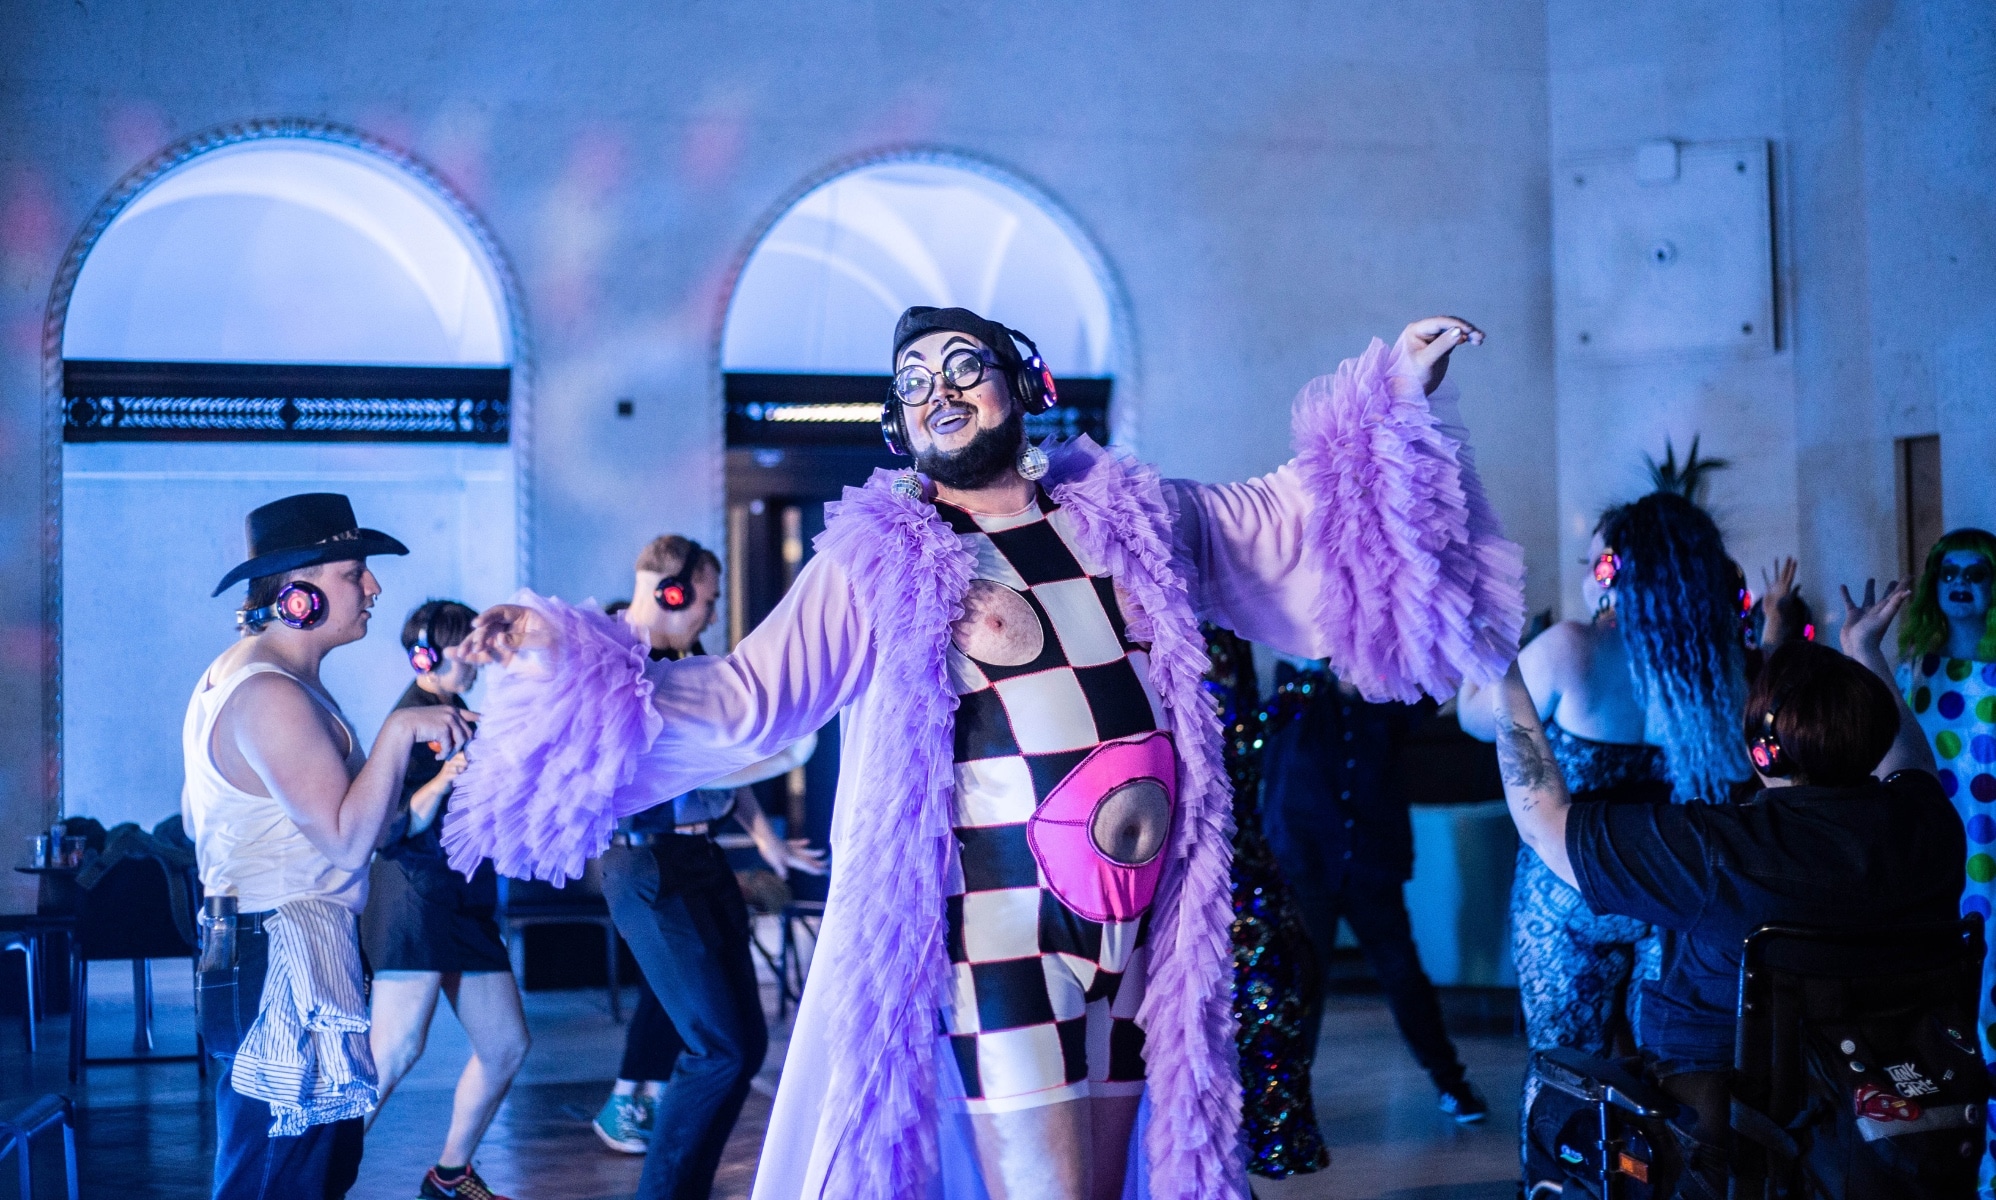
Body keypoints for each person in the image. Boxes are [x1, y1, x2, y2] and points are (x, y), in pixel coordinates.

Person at [449, 307, 1524, 1199]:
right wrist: (560, 655)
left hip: (1143, 935)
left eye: (964, 368)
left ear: (1027, 385)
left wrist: (1393, 396)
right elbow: (742, 698)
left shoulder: (1138, 516)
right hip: (997, 928)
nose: (939, 393)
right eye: (914, 384)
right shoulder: (879, 562)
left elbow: (1280, 518)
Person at [1491, 580, 1960, 1198]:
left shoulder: (1722, 849)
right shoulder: (1926, 824)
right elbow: (1910, 765)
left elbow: (1544, 824)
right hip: (1889, 1107)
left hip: (1720, 1128)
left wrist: (1500, 669)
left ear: (1762, 752)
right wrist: (1863, 651)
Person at [184, 493, 473, 1200]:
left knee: (304, 1171)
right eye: (354, 573)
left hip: (279, 948)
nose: (373, 587)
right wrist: (400, 736)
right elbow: (348, 844)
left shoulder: (259, 677)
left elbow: (204, 820)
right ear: (299, 596)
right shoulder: (269, 693)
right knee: (282, 1180)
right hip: (279, 956)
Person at [1458, 488, 1750, 1088]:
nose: (1590, 578)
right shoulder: (1719, 665)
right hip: (1673, 890)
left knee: (1563, 1068)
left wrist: (1481, 652)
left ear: (1622, 570)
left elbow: (1474, 718)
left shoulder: (1571, 648)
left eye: (1600, 562)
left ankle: (1559, 1179)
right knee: (1674, 1076)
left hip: (1569, 889)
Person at [589, 534, 824, 1197]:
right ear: (672, 590)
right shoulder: (617, 665)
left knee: (743, 1047)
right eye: (707, 599)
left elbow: (726, 766)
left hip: (700, 856)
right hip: (646, 864)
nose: (709, 614)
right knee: (717, 1048)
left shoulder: (694, 663)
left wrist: (767, 841)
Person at [1263, 676, 1486, 1124]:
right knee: (1302, 985)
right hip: (1307, 868)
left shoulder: (1392, 699)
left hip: (1371, 867)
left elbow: (1440, 687)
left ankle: (1451, 1084)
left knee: (1404, 976)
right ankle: (1286, 1103)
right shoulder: (1297, 699)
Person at [360, 600, 526, 1200]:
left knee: (506, 1045)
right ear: (427, 655)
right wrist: (445, 775)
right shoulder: (404, 722)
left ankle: (450, 1175)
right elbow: (386, 827)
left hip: (464, 898)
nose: (477, 660)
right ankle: (313, 1178)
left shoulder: (461, 713)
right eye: (467, 648)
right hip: (414, 897)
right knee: (395, 1052)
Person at [1203, 627, 1330, 1178]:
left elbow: (1243, 740)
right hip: (1217, 879)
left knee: (1264, 1015)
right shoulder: (1200, 640)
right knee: (1243, 1019)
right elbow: (1239, 739)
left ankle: (1239, 1158)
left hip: (1246, 873)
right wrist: (1306, 680)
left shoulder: (1224, 633)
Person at [1895, 528, 1996, 1198]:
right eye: (1947, 571)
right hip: (1935, 873)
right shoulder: (1918, 673)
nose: (1960, 581)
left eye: (1976, 571)